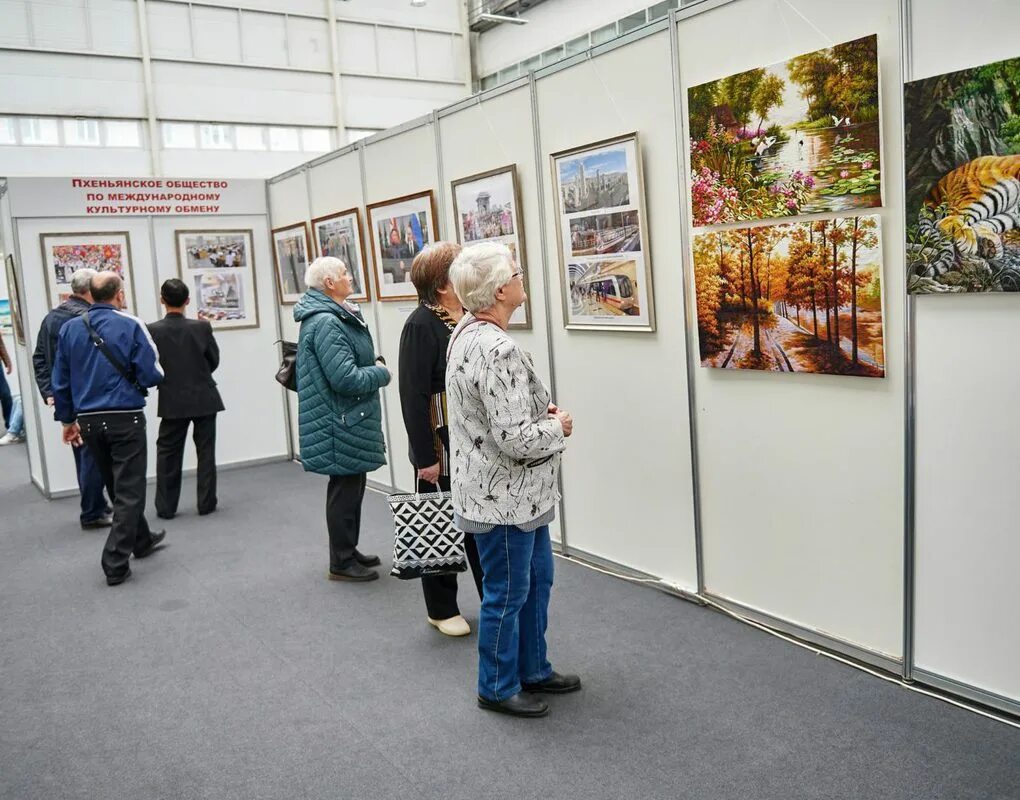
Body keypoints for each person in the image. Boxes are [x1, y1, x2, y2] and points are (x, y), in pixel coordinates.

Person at [446, 241, 580, 719]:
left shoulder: (465, 331)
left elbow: (489, 414)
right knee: (508, 592)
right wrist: (557, 426)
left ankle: (533, 667)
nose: (523, 279)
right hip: (502, 497)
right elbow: (514, 438)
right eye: (518, 274)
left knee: (537, 580)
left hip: (512, 495)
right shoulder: (496, 347)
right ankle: (497, 686)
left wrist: (533, 413)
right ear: (502, 289)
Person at [52, 271, 166, 586]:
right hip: (124, 416)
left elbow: (60, 380)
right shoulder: (131, 324)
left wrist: (67, 420)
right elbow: (153, 372)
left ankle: (141, 540)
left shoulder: (69, 329)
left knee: (117, 487)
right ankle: (114, 560)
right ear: (118, 295)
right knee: (129, 490)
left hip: (88, 420)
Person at [398, 243, 484, 637]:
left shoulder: (466, 317)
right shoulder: (420, 324)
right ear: (446, 284)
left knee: (481, 521)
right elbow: (412, 395)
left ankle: (492, 597)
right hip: (438, 440)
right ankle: (441, 606)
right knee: (440, 523)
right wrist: (423, 456)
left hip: (471, 437)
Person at [294, 256, 391, 582]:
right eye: (344, 273)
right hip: (339, 420)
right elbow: (345, 379)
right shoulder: (326, 323)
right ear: (330, 284)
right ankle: (341, 560)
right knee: (344, 490)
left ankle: (348, 549)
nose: (350, 277)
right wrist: (380, 371)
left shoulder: (336, 315)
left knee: (351, 486)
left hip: (345, 418)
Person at [31, 267, 112, 529]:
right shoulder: (88, 320)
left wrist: (50, 393)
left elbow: (39, 358)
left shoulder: (51, 317)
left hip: (67, 397)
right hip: (89, 396)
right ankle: (91, 512)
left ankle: (96, 504)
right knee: (94, 456)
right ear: (90, 290)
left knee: (84, 454)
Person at [147, 278, 225, 519]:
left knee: (168, 453)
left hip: (172, 398)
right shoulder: (201, 327)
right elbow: (213, 360)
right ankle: (206, 503)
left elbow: (152, 365)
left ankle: (166, 506)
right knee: (206, 451)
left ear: (162, 300)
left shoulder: (152, 330)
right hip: (204, 395)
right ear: (188, 300)